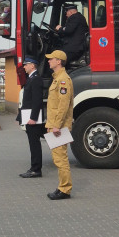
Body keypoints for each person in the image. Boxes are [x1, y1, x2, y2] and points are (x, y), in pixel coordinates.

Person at [45, 50, 74, 200]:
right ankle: (62, 187)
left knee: (60, 158)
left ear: (59, 61)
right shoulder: (57, 79)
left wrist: (56, 125)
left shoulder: (63, 80)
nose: (49, 61)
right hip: (55, 125)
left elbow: (63, 105)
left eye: (52, 59)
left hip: (59, 127)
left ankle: (64, 189)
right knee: (58, 158)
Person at [17, 56, 45, 178]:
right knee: (34, 143)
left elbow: (37, 101)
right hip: (28, 117)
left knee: (34, 144)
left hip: (33, 118)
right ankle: (34, 168)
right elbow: (27, 101)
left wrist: (33, 118)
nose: (24, 67)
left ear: (32, 65)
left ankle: (36, 169)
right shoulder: (31, 79)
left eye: (26, 64)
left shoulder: (36, 79)